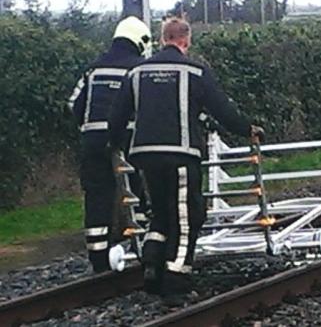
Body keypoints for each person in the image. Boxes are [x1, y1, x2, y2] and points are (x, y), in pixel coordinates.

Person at [108, 17, 263, 303]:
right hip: (181, 155)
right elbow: (222, 108)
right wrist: (247, 129)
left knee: (160, 211)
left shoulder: (137, 71)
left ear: (162, 38)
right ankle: (176, 282)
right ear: (185, 41)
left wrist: (117, 143)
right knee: (186, 216)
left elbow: (117, 115)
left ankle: (152, 263)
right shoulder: (195, 71)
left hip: (144, 155)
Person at [68, 16, 151, 272]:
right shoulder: (138, 68)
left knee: (97, 196)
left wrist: (87, 129)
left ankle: (98, 257)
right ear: (141, 40)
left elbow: (74, 104)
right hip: (127, 140)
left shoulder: (93, 69)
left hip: (93, 141)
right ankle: (144, 246)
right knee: (137, 189)